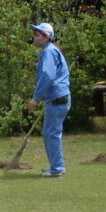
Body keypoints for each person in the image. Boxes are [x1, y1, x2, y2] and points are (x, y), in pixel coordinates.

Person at [27, 22, 71, 177]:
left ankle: (57, 169)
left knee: (51, 133)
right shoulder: (50, 51)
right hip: (58, 97)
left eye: (37, 34)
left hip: (57, 98)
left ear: (46, 37)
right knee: (51, 133)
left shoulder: (49, 52)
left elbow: (47, 76)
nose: (34, 37)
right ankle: (56, 166)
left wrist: (36, 98)